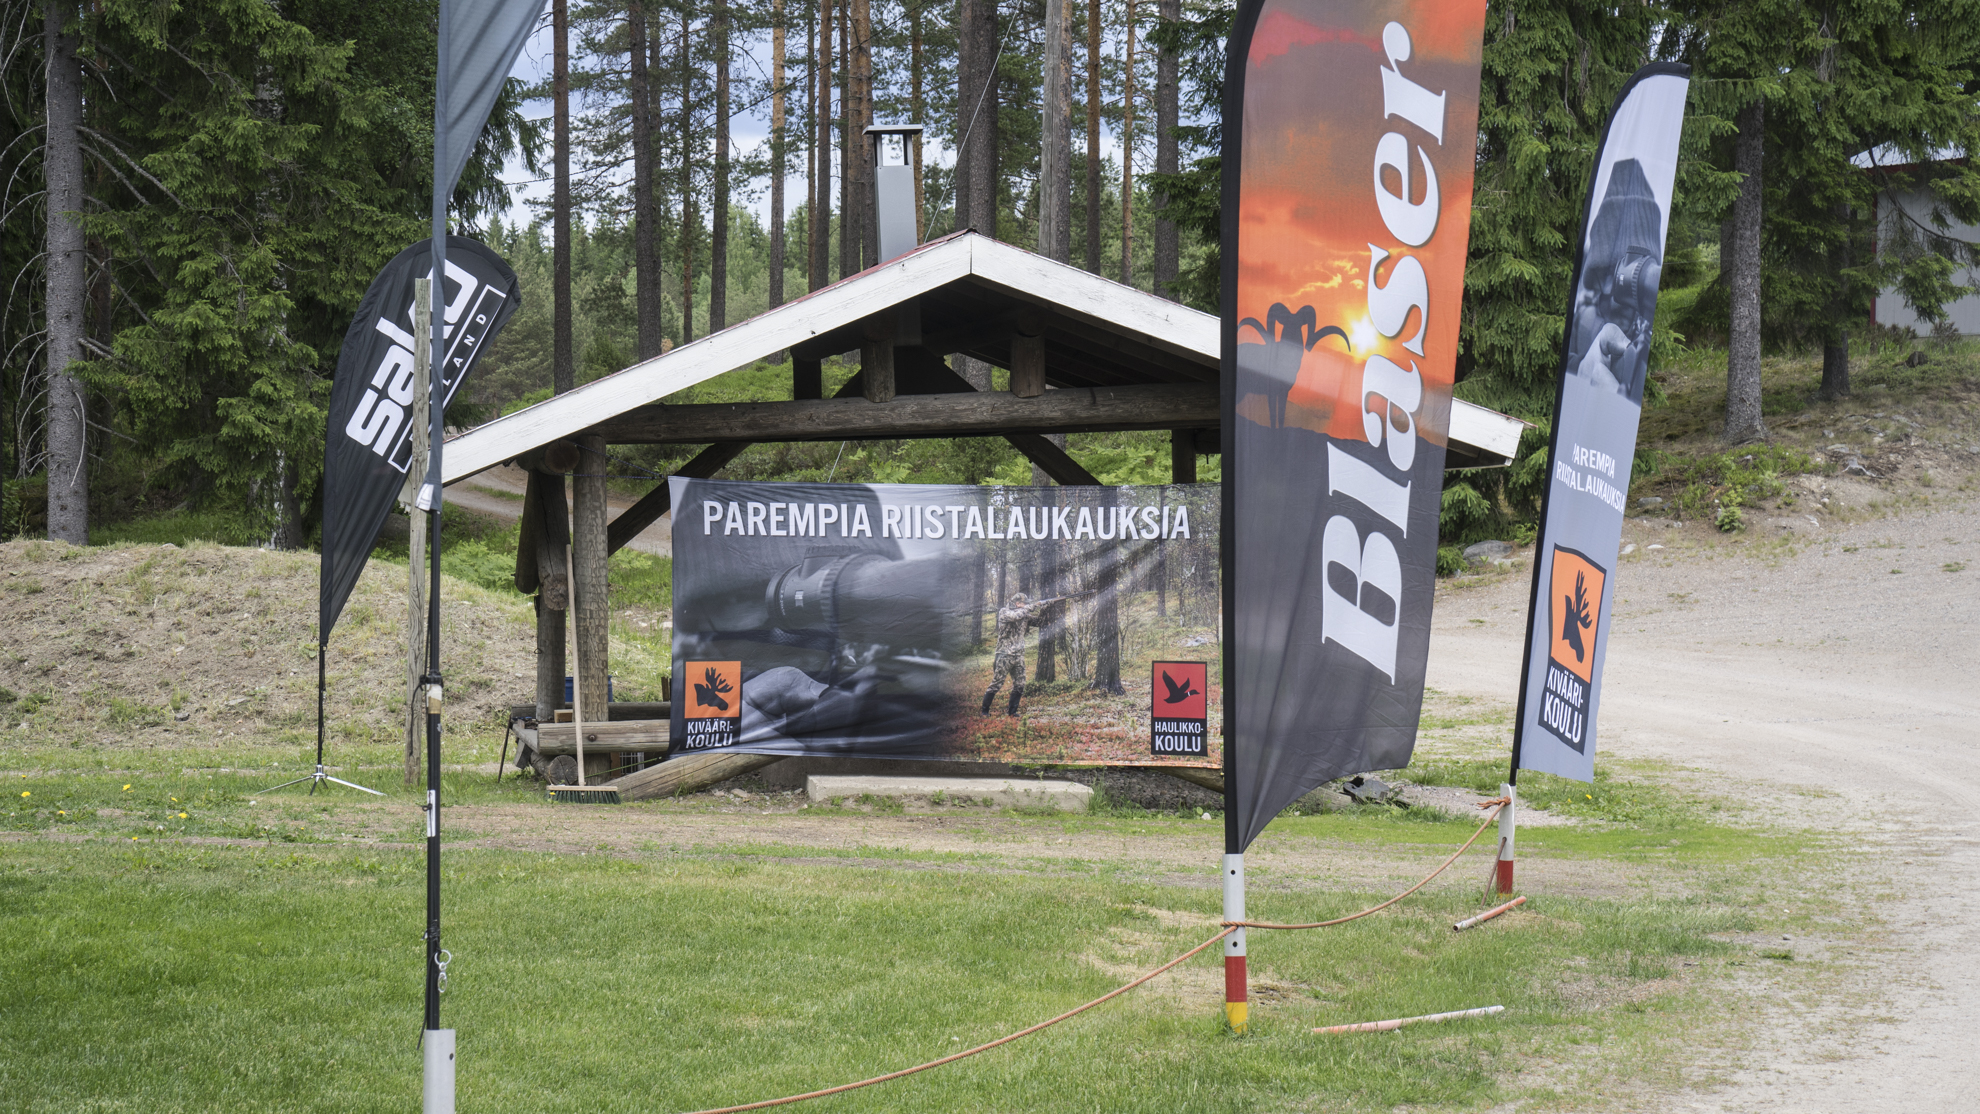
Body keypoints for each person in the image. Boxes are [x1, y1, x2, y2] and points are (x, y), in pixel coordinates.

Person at [980, 591, 1078, 717]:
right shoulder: (1004, 612)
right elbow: (1015, 616)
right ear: (1017, 603)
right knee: (996, 684)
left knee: (1020, 684)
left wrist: (1045, 608)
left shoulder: (1024, 614)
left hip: (1018, 655)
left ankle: (1012, 712)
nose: (1026, 605)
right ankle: (984, 711)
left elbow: (1040, 622)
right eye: (1024, 603)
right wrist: (1032, 606)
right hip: (1004, 654)